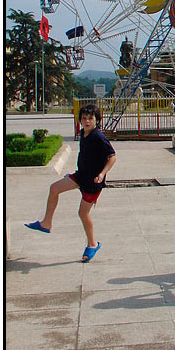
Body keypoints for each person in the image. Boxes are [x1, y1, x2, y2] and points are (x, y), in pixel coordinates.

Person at [24, 103, 117, 263]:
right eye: (84, 118)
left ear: (97, 120)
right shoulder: (83, 133)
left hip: (93, 183)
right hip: (80, 176)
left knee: (83, 213)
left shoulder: (98, 136)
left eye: (90, 118)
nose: (87, 121)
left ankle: (92, 244)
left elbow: (112, 157)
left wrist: (102, 174)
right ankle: (46, 223)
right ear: (80, 120)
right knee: (54, 188)